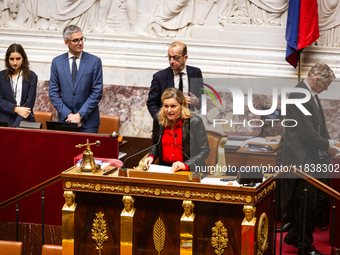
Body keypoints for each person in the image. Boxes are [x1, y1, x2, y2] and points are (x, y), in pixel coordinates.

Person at [281, 63, 340, 255]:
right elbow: (307, 134)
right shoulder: (300, 95)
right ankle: (304, 246)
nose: (326, 88)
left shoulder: (310, 94)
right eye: (326, 84)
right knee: (308, 200)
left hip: (312, 155)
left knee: (322, 196)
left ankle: (294, 235)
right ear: (316, 80)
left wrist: (330, 142)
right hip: (301, 157)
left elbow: (318, 126)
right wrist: (329, 146)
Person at [49, 25, 103, 133]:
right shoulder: (57, 62)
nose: (80, 43)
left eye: (81, 39)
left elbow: (97, 92)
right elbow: (53, 92)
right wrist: (68, 115)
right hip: (65, 121)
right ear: (66, 42)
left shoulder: (94, 61)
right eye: (75, 40)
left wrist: (80, 115)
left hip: (88, 123)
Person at [143, 88, 210, 172]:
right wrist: (151, 156)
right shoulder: (158, 119)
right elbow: (156, 144)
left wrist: (186, 164)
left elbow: (204, 150)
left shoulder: (194, 122)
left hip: (188, 169)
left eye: (173, 106)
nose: (169, 110)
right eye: (166, 106)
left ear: (182, 104)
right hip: (164, 169)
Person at [146, 41, 203, 118]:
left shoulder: (196, 73)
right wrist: (161, 120)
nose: (171, 61)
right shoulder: (159, 77)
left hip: (188, 122)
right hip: (166, 124)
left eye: (176, 58)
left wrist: (197, 101)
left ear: (185, 58)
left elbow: (202, 97)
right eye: (170, 57)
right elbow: (151, 103)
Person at [0, 43, 37, 127]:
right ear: (7, 59)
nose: (15, 62)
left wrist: (15, 127)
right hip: (4, 119)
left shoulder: (32, 76)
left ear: (23, 58)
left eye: (18, 59)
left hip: (25, 118)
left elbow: (29, 102)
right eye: (11, 59)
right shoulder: (1, 76)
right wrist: (15, 109)